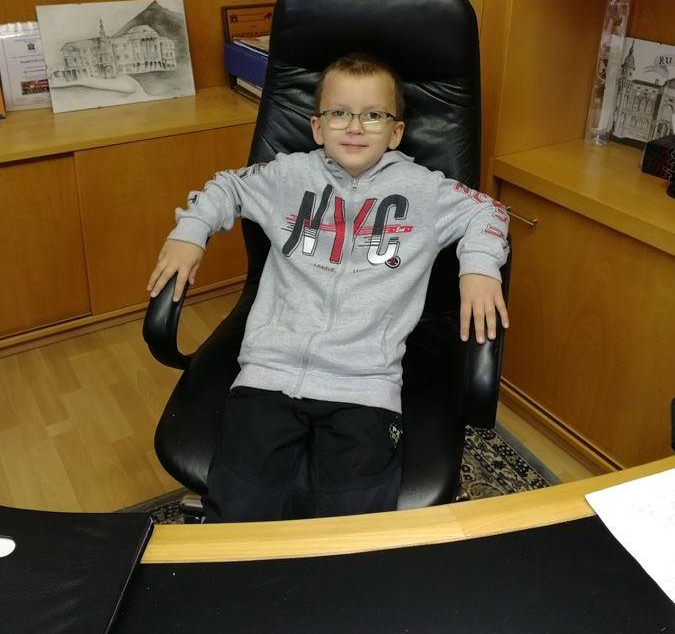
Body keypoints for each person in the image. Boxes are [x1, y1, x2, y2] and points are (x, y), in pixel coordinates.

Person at [147, 53, 510, 522]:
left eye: (373, 115)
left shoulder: (425, 191)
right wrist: (191, 231)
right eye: (340, 113)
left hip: (366, 386)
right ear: (317, 127)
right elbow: (228, 187)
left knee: (351, 532)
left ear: (396, 132)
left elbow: (488, 210)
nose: (355, 127)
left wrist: (479, 266)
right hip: (268, 376)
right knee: (238, 519)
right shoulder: (287, 176)